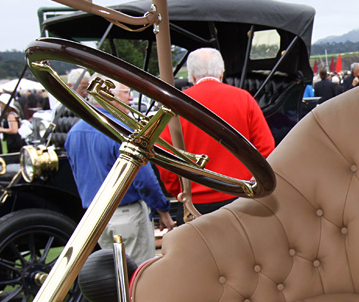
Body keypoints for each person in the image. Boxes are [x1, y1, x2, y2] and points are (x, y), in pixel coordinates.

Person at [65, 78, 175, 264]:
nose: (131, 98)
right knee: (139, 278)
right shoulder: (122, 130)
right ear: (109, 96)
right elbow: (143, 179)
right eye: (127, 92)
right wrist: (163, 210)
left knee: (115, 278)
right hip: (126, 214)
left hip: (95, 217)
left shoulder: (74, 132)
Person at [158, 47, 275, 215]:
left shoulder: (176, 106)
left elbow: (165, 158)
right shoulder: (244, 99)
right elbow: (266, 149)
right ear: (221, 73)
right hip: (242, 198)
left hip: (196, 203)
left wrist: (181, 189)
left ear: (191, 75)